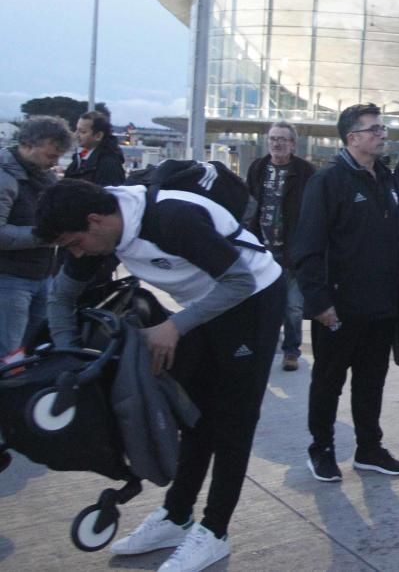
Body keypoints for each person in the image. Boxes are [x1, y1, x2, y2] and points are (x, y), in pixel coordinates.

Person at [37, 176, 284, 572]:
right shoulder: (97, 236)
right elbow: (60, 295)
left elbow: (240, 280)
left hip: (252, 298)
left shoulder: (170, 219)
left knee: (233, 422)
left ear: (95, 220)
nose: (76, 254)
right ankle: (176, 516)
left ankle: (215, 531)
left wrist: (174, 326)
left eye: (74, 243)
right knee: (194, 415)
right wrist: (70, 358)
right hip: (201, 303)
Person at [293, 103, 399, 483]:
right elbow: (306, 247)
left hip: (381, 304)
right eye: (375, 129)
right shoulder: (329, 181)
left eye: (382, 128)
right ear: (353, 138)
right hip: (339, 307)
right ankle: (321, 449)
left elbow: (390, 224)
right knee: (328, 383)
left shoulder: (385, 177)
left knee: (372, 382)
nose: (382, 134)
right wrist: (319, 302)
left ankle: (369, 448)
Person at [245, 122, 315, 372]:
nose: (276, 143)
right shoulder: (258, 167)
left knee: (293, 307)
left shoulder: (306, 172)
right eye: (273, 138)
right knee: (262, 305)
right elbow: (250, 203)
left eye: (282, 139)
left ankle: (291, 351)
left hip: (291, 251)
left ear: (293, 144)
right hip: (261, 250)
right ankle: (264, 347)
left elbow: (313, 210)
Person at [0, 116, 72, 358]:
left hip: (41, 275)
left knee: (27, 350)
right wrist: (44, 236)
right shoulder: (4, 178)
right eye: (51, 156)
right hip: (10, 279)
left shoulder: (42, 176)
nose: (54, 164)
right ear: (28, 145)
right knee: (9, 352)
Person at [65, 111, 126, 187]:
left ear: (98, 136)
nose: (76, 134)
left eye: (82, 132)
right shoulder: (80, 157)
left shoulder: (109, 165)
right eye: (76, 130)